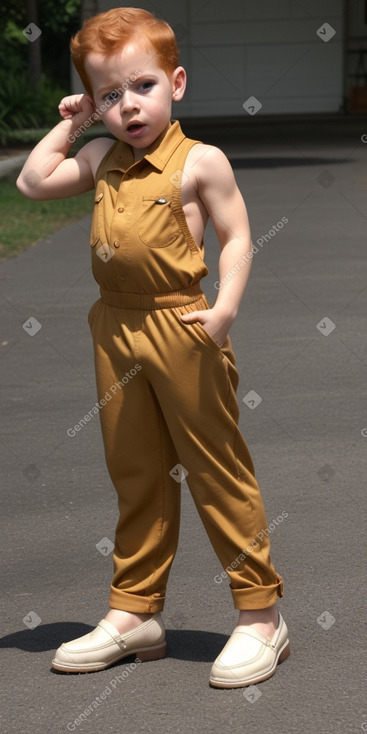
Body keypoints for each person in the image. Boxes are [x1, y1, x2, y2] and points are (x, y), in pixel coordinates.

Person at [16, 7, 289, 688]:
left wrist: (223, 308)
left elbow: (234, 235)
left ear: (177, 82)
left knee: (215, 470)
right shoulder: (101, 158)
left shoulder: (200, 161)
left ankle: (261, 616)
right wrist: (74, 120)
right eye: (109, 95)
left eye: (141, 86)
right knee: (134, 471)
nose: (127, 106)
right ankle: (134, 613)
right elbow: (31, 181)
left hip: (182, 328)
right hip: (114, 329)